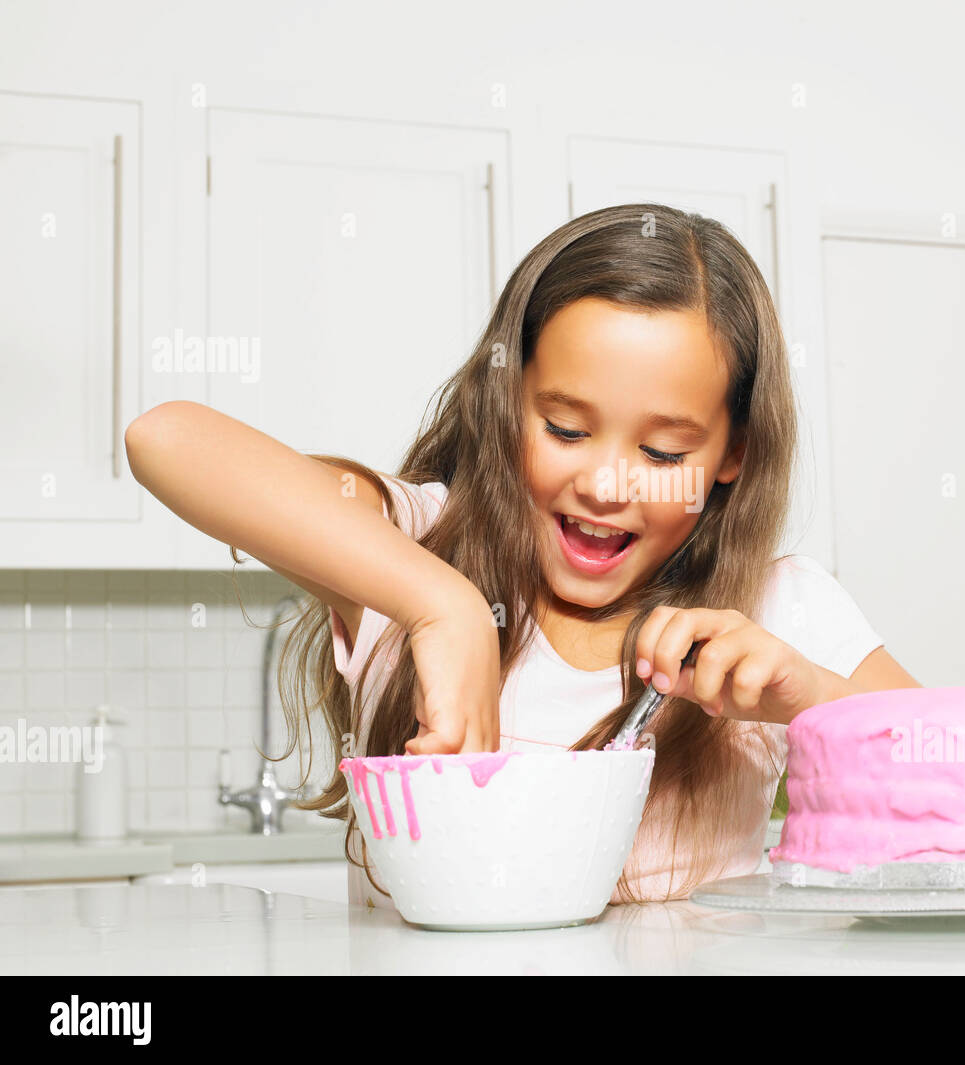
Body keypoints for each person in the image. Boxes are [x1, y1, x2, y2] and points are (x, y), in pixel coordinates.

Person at [125, 202, 920, 909]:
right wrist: (444, 607)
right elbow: (165, 438)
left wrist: (810, 698)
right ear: (507, 404)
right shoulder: (414, 547)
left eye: (663, 448)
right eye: (566, 430)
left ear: (732, 452)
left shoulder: (777, 608)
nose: (607, 484)